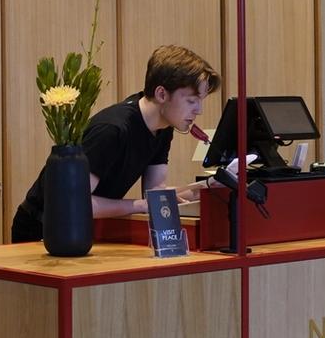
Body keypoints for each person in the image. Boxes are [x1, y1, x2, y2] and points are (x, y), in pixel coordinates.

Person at [11, 44, 219, 243]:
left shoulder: (163, 128)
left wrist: (202, 189)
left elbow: (154, 192)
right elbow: (76, 203)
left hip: (81, 228)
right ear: (161, 94)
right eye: (192, 101)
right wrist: (140, 205)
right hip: (41, 227)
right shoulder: (112, 130)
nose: (199, 110)